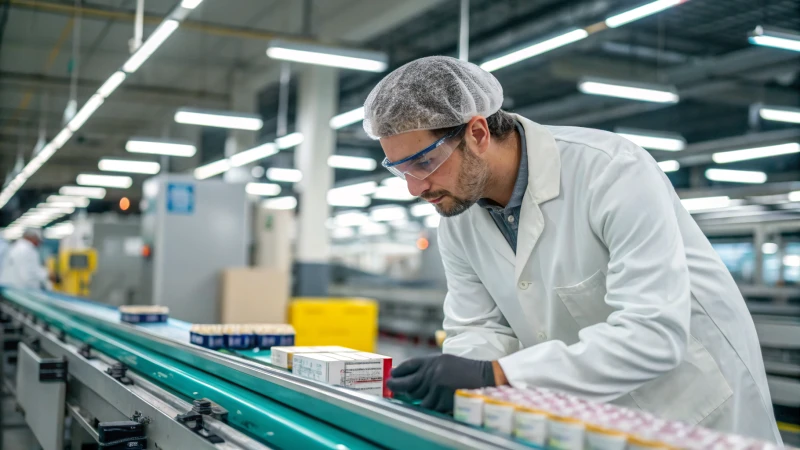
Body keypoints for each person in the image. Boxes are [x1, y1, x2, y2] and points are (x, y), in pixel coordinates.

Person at [364, 56, 781, 443]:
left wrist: (495, 375)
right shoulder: (458, 220)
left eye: (423, 163)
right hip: (587, 418)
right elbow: (479, 328)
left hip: (697, 413)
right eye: (401, 170)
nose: (415, 188)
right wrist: (461, 376)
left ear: (477, 133)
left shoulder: (611, 170)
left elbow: (653, 334)